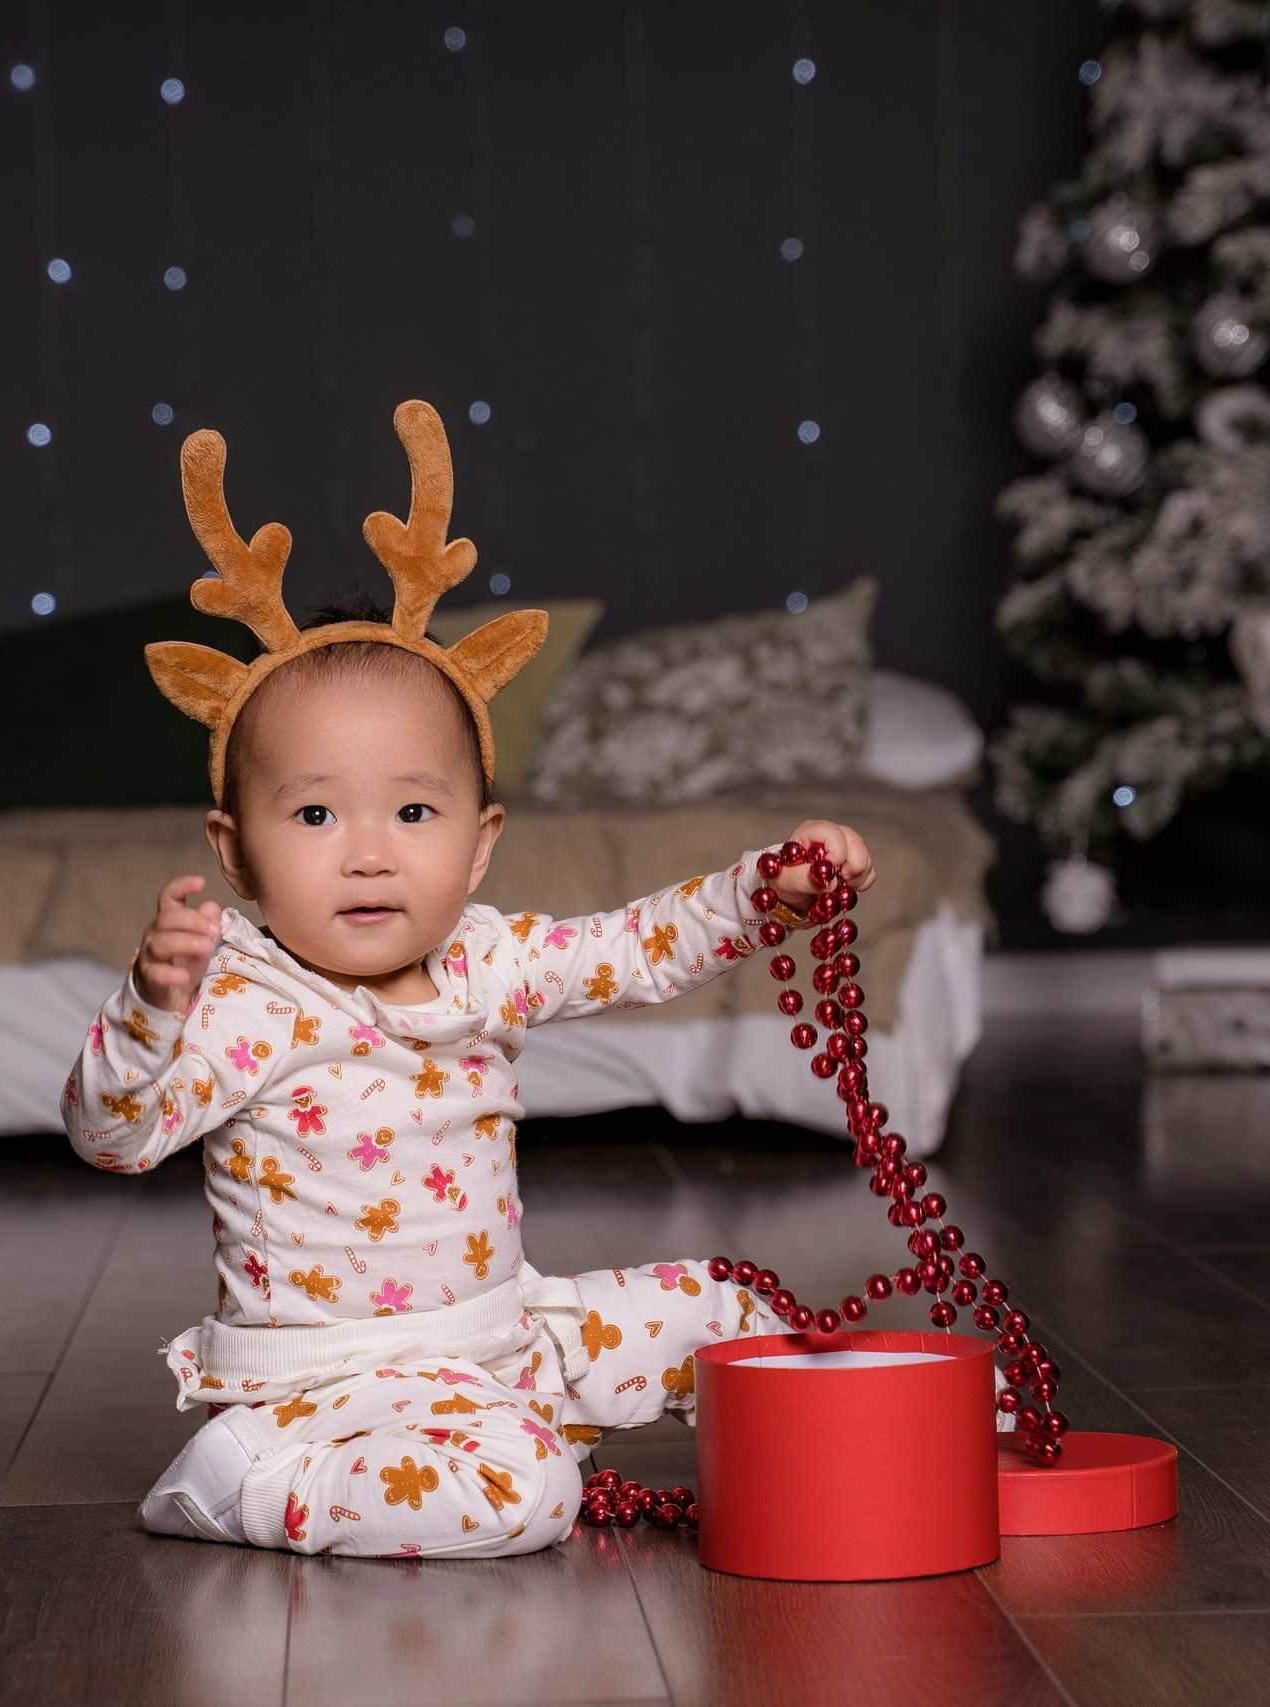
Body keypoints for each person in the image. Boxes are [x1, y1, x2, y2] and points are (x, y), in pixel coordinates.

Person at [62, 402, 873, 1558]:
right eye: (312, 812)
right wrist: (148, 1009)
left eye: (411, 809)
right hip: (333, 1385)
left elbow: (633, 947)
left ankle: (909, 1450)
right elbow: (112, 1137)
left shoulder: (488, 958)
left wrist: (761, 892)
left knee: (728, 1310)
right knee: (527, 1498)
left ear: (479, 842)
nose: (369, 850)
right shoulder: (243, 999)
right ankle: (246, 1482)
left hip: (500, 1334)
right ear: (233, 849)